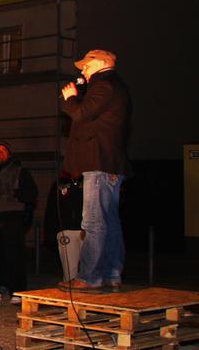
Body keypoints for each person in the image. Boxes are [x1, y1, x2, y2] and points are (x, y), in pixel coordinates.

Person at [59, 49, 131, 293]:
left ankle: (89, 276)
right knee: (110, 221)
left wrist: (70, 98)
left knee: (93, 221)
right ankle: (111, 273)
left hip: (99, 163)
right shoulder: (115, 86)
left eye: (86, 66)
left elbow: (80, 113)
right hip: (109, 163)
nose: (83, 71)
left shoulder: (104, 86)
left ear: (101, 63)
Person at [0, 141, 37, 304]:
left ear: (9, 154)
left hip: (11, 219)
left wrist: (17, 195)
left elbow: (32, 193)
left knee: (14, 256)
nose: (0, 153)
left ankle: (17, 291)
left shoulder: (19, 171)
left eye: (3, 151)